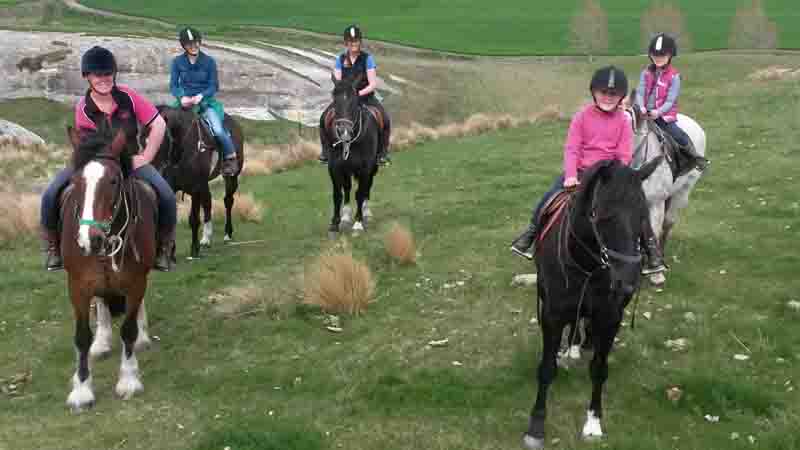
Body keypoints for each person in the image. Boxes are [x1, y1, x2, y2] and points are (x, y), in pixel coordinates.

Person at [510, 66, 666, 274]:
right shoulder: (581, 117)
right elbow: (572, 148)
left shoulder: (624, 120)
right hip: (582, 172)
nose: (608, 97)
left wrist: (617, 177)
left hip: (609, 175)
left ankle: (651, 248)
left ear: (621, 97)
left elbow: (623, 154)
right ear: (593, 92)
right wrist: (571, 175)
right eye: (603, 92)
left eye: (614, 94)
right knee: (549, 197)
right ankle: (530, 234)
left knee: (636, 204)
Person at [40, 46, 177, 272]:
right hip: (96, 162)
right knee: (50, 193)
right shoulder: (83, 108)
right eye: (97, 74)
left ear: (114, 73)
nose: (104, 79)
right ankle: (54, 249)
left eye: (107, 73)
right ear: (87, 77)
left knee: (167, 196)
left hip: (131, 160)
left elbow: (158, 124)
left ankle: (163, 249)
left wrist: (146, 156)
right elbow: (86, 146)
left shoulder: (129, 97)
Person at [170, 26, 238, 176]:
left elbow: (214, 85)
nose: (193, 46)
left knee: (218, 130)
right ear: (184, 46)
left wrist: (202, 96)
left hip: (205, 103)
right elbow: (174, 85)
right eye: (189, 44)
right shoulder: (177, 62)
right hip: (185, 103)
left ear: (200, 42)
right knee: (166, 125)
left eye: (196, 43)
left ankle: (230, 158)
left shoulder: (209, 62)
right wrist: (181, 98)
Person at [319, 25, 391, 165]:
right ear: (346, 43)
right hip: (346, 99)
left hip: (365, 97)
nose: (354, 44)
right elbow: (338, 80)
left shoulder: (367, 59)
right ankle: (325, 153)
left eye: (356, 41)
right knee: (323, 119)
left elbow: (372, 84)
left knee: (385, 119)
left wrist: (357, 94)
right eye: (351, 41)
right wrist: (343, 93)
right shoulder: (340, 59)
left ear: (360, 42)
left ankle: (382, 154)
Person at [635, 33, 707, 171]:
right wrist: (641, 107)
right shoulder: (645, 73)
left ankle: (695, 158)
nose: (658, 58)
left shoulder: (674, 77)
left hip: (663, 116)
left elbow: (670, 100)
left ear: (670, 56)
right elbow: (640, 91)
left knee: (678, 134)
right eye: (655, 55)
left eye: (662, 55)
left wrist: (658, 112)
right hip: (643, 113)